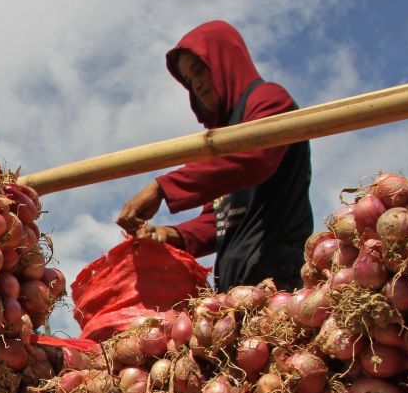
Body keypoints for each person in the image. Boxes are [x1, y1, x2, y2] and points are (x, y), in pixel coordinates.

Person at [116, 20, 313, 291]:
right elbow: (217, 221)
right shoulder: (222, 138)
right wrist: (168, 234)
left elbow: (254, 158)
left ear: (225, 62)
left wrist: (162, 188)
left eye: (200, 71)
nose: (197, 85)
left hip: (278, 283)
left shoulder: (269, 99)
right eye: (190, 80)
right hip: (237, 292)